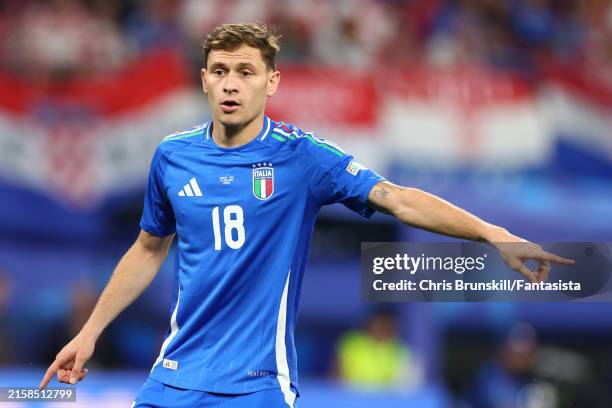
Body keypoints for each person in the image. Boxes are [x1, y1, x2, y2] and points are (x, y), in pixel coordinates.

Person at [39, 23, 574, 407]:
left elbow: (397, 198)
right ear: (203, 80)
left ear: (271, 82)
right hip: (174, 377)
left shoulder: (301, 158)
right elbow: (149, 248)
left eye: (245, 72)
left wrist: (491, 232)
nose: (231, 84)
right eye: (220, 71)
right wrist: (90, 332)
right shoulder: (172, 156)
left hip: (258, 384)